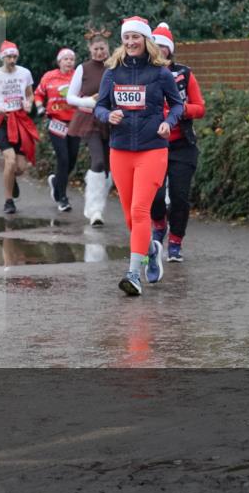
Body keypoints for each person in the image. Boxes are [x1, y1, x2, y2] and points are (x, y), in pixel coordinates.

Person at [93, 16, 183, 296]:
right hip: (120, 150)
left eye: (136, 37)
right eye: (127, 37)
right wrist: (109, 115)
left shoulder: (160, 73)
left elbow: (178, 105)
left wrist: (169, 123)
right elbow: (99, 107)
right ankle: (151, 250)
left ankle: (133, 274)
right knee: (130, 218)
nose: (131, 42)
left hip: (153, 149)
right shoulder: (112, 72)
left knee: (139, 211)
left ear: (146, 40)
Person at [149, 23, 206, 263]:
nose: (160, 51)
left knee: (181, 196)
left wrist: (178, 110)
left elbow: (200, 108)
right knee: (155, 194)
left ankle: (175, 242)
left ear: (170, 50)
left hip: (182, 144)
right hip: (152, 144)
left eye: (164, 47)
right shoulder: (142, 73)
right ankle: (159, 224)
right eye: (156, 46)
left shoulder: (185, 74)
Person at [0, 41, 38, 214]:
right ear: (2, 57)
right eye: (9, 57)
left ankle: (11, 178)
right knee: (10, 160)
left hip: (19, 120)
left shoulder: (25, 73)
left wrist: (28, 103)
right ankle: (8, 201)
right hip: (3, 121)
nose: (12, 60)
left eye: (14, 56)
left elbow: (30, 95)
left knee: (20, 168)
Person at [67, 30, 113, 226]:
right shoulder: (83, 68)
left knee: (111, 168)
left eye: (103, 49)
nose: (99, 53)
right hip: (89, 120)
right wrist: (88, 101)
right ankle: (95, 210)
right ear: (90, 49)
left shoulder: (115, 67)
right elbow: (70, 97)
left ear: (108, 49)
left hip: (112, 120)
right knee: (99, 162)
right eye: (96, 49)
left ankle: (97, 204)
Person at [35, 48, 78, 212]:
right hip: (56, 122)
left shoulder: (77, 76)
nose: (69, 62)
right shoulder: (49, 76)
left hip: (74, 123)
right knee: (63, 159)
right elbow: (38, 94)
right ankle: (62, 198)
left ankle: (56, 183)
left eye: (71, 59)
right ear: (59, 61)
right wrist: (39, 107)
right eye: (65, 59)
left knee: (72, 159)